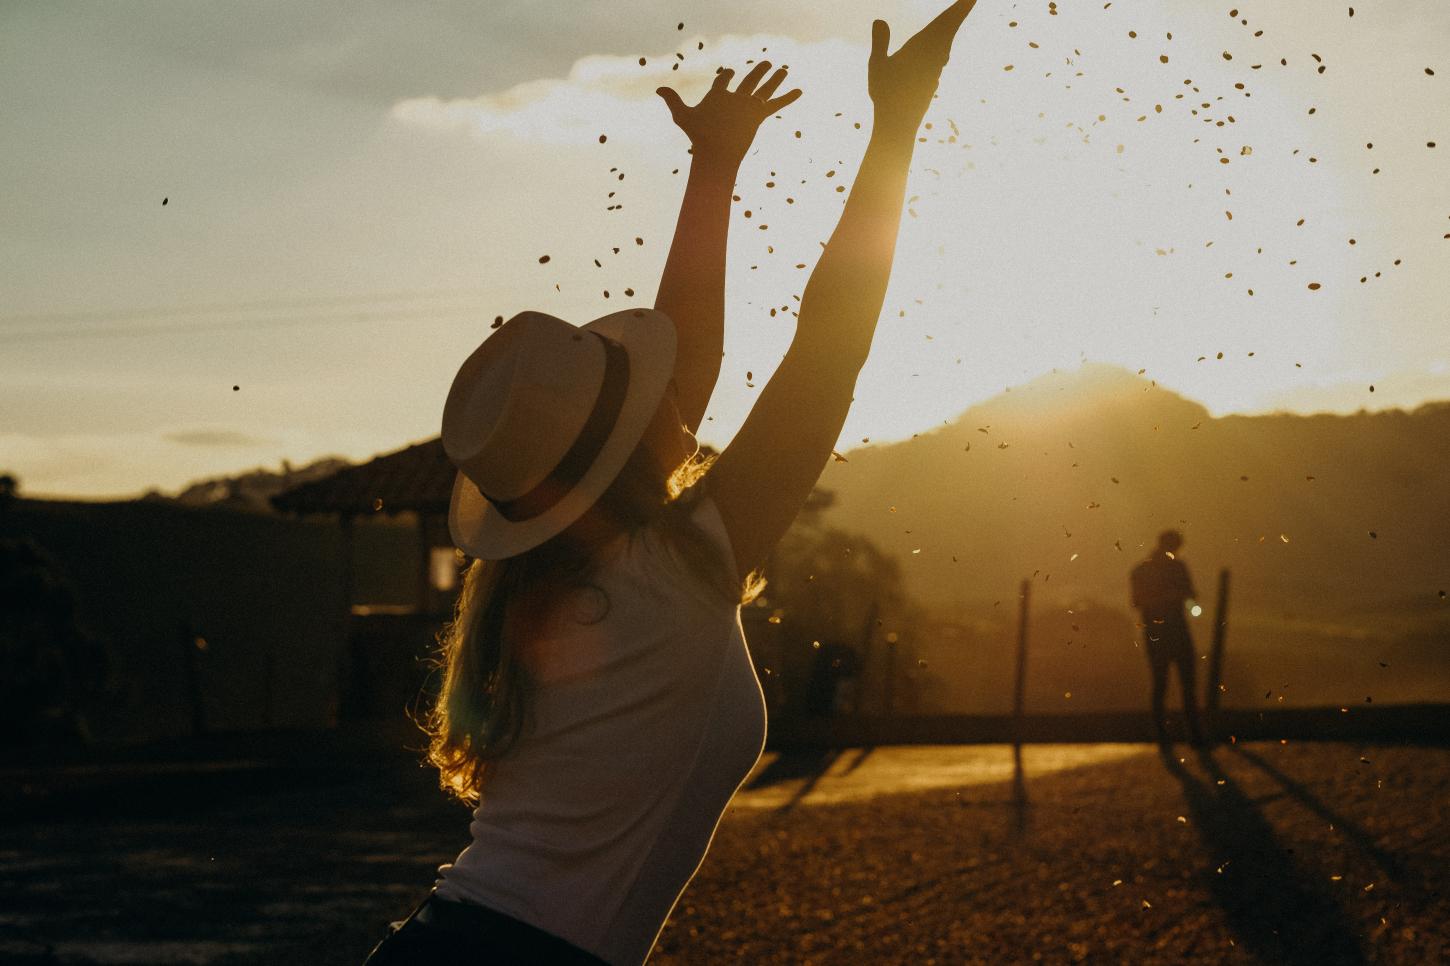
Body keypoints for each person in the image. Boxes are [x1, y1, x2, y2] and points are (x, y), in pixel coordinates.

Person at [361, 4, 977, 963]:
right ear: (634, 443)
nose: (672, 392)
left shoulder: (547, 590)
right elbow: (828, 351)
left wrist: (717, 166)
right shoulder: (664, 576)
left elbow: (694, 361)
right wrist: (894, 128)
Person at [1129, 529, 1206, 747]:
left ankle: (1162, 735)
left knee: (1161, 683)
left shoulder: (1141, 570)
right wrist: (1171, 597)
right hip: (1175, 631)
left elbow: (1137, 602)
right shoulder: (1177, 567)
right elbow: (1190, 594)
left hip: (1156, 632)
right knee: (1184, 683)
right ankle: (1193, 735)